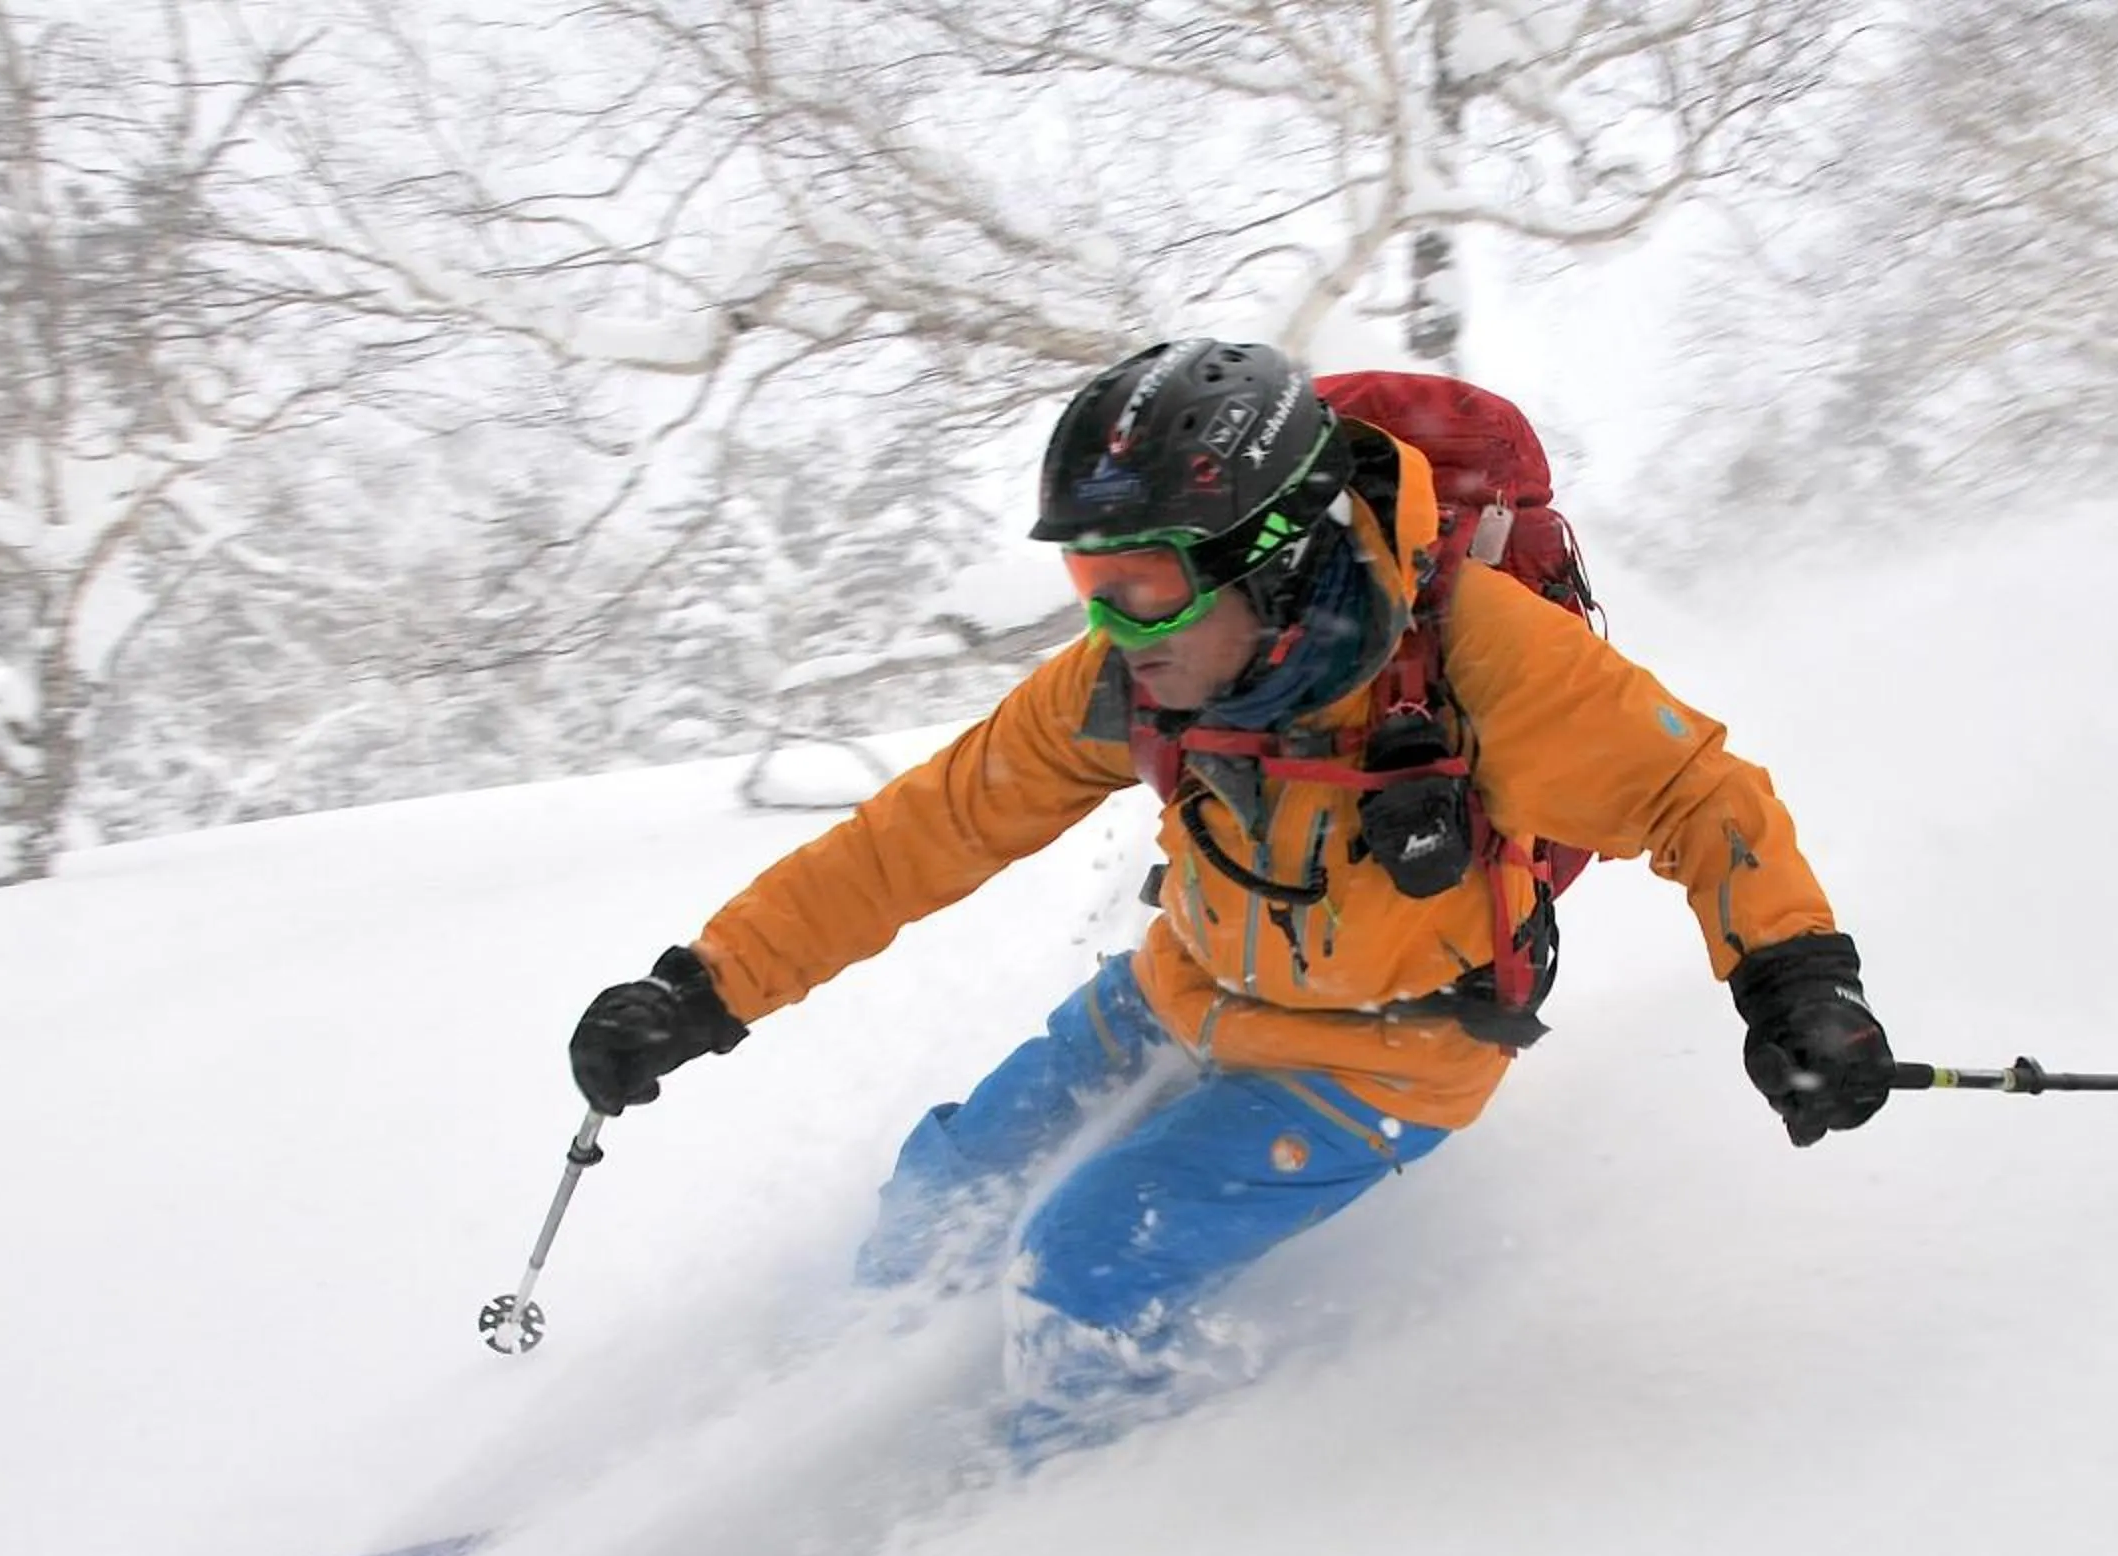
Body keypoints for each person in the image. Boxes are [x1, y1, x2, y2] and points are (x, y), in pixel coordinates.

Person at [568, 339, 1893, 1458]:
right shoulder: (1136, 674)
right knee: (940, 1192)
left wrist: (1798, 989)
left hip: (1381, 1056)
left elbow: (1703, 798)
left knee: (1081, 1270)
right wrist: (705, 988)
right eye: (1090, 586)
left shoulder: (1480, 657)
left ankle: (1056, 1523)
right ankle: (835, 1422)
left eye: (1140, 586)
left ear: (1273, 556)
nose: (1111, 627)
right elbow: (925, 831)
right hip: (1183, 988)